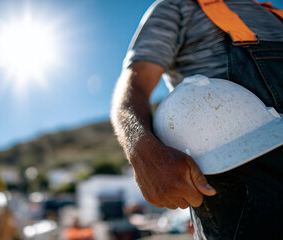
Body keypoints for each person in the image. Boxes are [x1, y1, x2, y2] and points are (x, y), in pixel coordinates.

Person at [111, 0, 283, 239]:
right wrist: (143, 153)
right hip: (238, 177)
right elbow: (135, 83)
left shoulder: (273, 12)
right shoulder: (177, 7)